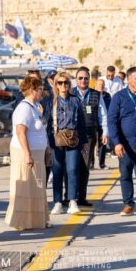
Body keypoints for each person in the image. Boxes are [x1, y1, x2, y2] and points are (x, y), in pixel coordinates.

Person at [107, 66, 136, 216]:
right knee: (125, 173)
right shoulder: (119, 97)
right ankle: (128, 204)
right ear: (129, 79)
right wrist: (116, 142)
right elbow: (112, 120)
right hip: (126, 143)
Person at [5, 76, 49, 230]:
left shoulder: (35, 107)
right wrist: (27, 154)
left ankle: (36, 220)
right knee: (25, 187)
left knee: (36, 186)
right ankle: (21, 222)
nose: (42, 92)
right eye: (40, 89)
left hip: (37, 152)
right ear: (32, 90)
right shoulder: (24, 108)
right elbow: (20, 132)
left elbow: (40, 128)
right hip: (25, 152)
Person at [47, 72, 86, 215]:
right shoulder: (51, 101)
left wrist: (83, 142)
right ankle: (57, 202)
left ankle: (72, 200)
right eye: (60, 82)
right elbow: (47, 122)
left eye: (66, 83)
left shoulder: (75, 100)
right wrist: (48, 143)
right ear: (56, 84)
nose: (63, 85)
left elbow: (81, 121)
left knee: (72, 170)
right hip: (56, 140)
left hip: (73, 138)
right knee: (57, 171)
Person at [72, 66, 110, 205]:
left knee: (84, 166)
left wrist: (105, 132)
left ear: (89, 80)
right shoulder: (70, 93)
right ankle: (69, 197)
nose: (83, 80)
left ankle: (81, 197)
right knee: (71, 167)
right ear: (76, 80)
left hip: (88, 136)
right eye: (80, 78)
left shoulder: (96, 94)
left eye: (86, 78)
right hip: (71, 136)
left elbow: (103, 114)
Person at [94, 77, 111, 168]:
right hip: (93, 121)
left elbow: (109, 107)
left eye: (103, 85)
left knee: (103, 143)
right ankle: (91, 163)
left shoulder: (107, 95)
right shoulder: (92, 94)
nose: (102, 86)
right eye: (100, 85)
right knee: (91, 143)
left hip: (103, 122)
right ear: (95, 85)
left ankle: (102, 163)